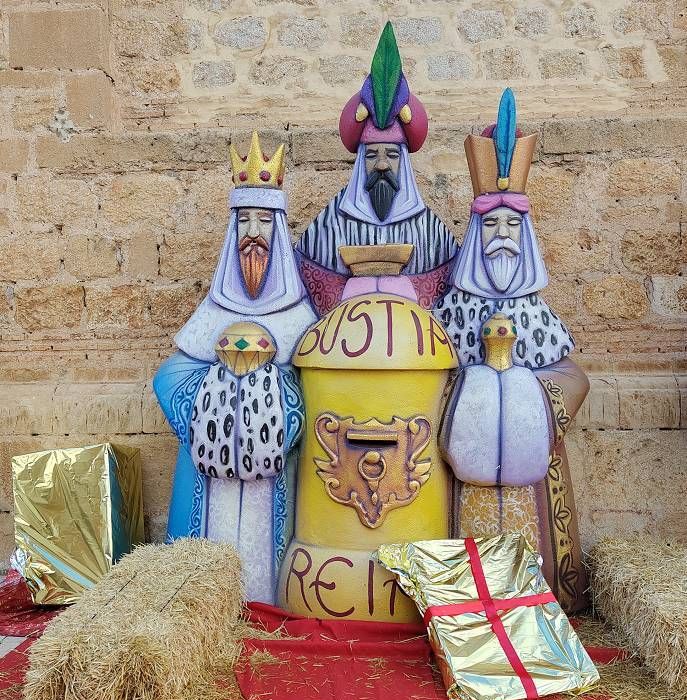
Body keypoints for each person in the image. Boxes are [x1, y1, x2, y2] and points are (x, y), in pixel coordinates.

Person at [436, 89, 590, 612]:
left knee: (537, 558)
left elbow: (572, 379)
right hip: (463, 479)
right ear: (475, 233)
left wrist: (522, 392)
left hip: (533, 482)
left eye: (511, 226)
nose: (501, 236)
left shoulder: (538, 313)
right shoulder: (452, 312)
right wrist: (477, 391)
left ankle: (540, 599)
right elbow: (437, 385)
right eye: (491, 226)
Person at [154, 133, 316, 603]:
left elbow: (314, 390)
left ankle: (269, 601)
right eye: (244, 219)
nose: (253, 232)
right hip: (210, 481)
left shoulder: (300, 317)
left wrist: (270, 391)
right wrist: (220, 387)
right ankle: (202, 604)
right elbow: (169, 377)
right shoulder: (213, 309)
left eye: (263, 220)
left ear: (278, 229)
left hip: (274, 476)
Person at [296, 22, 458, 314]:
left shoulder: (430, 228)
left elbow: (445, 282)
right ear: (361, 163)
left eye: (391, 155)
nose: (382, 164)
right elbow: (309, 274)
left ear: (403, 162)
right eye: (372, 155)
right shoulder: (330, 223)